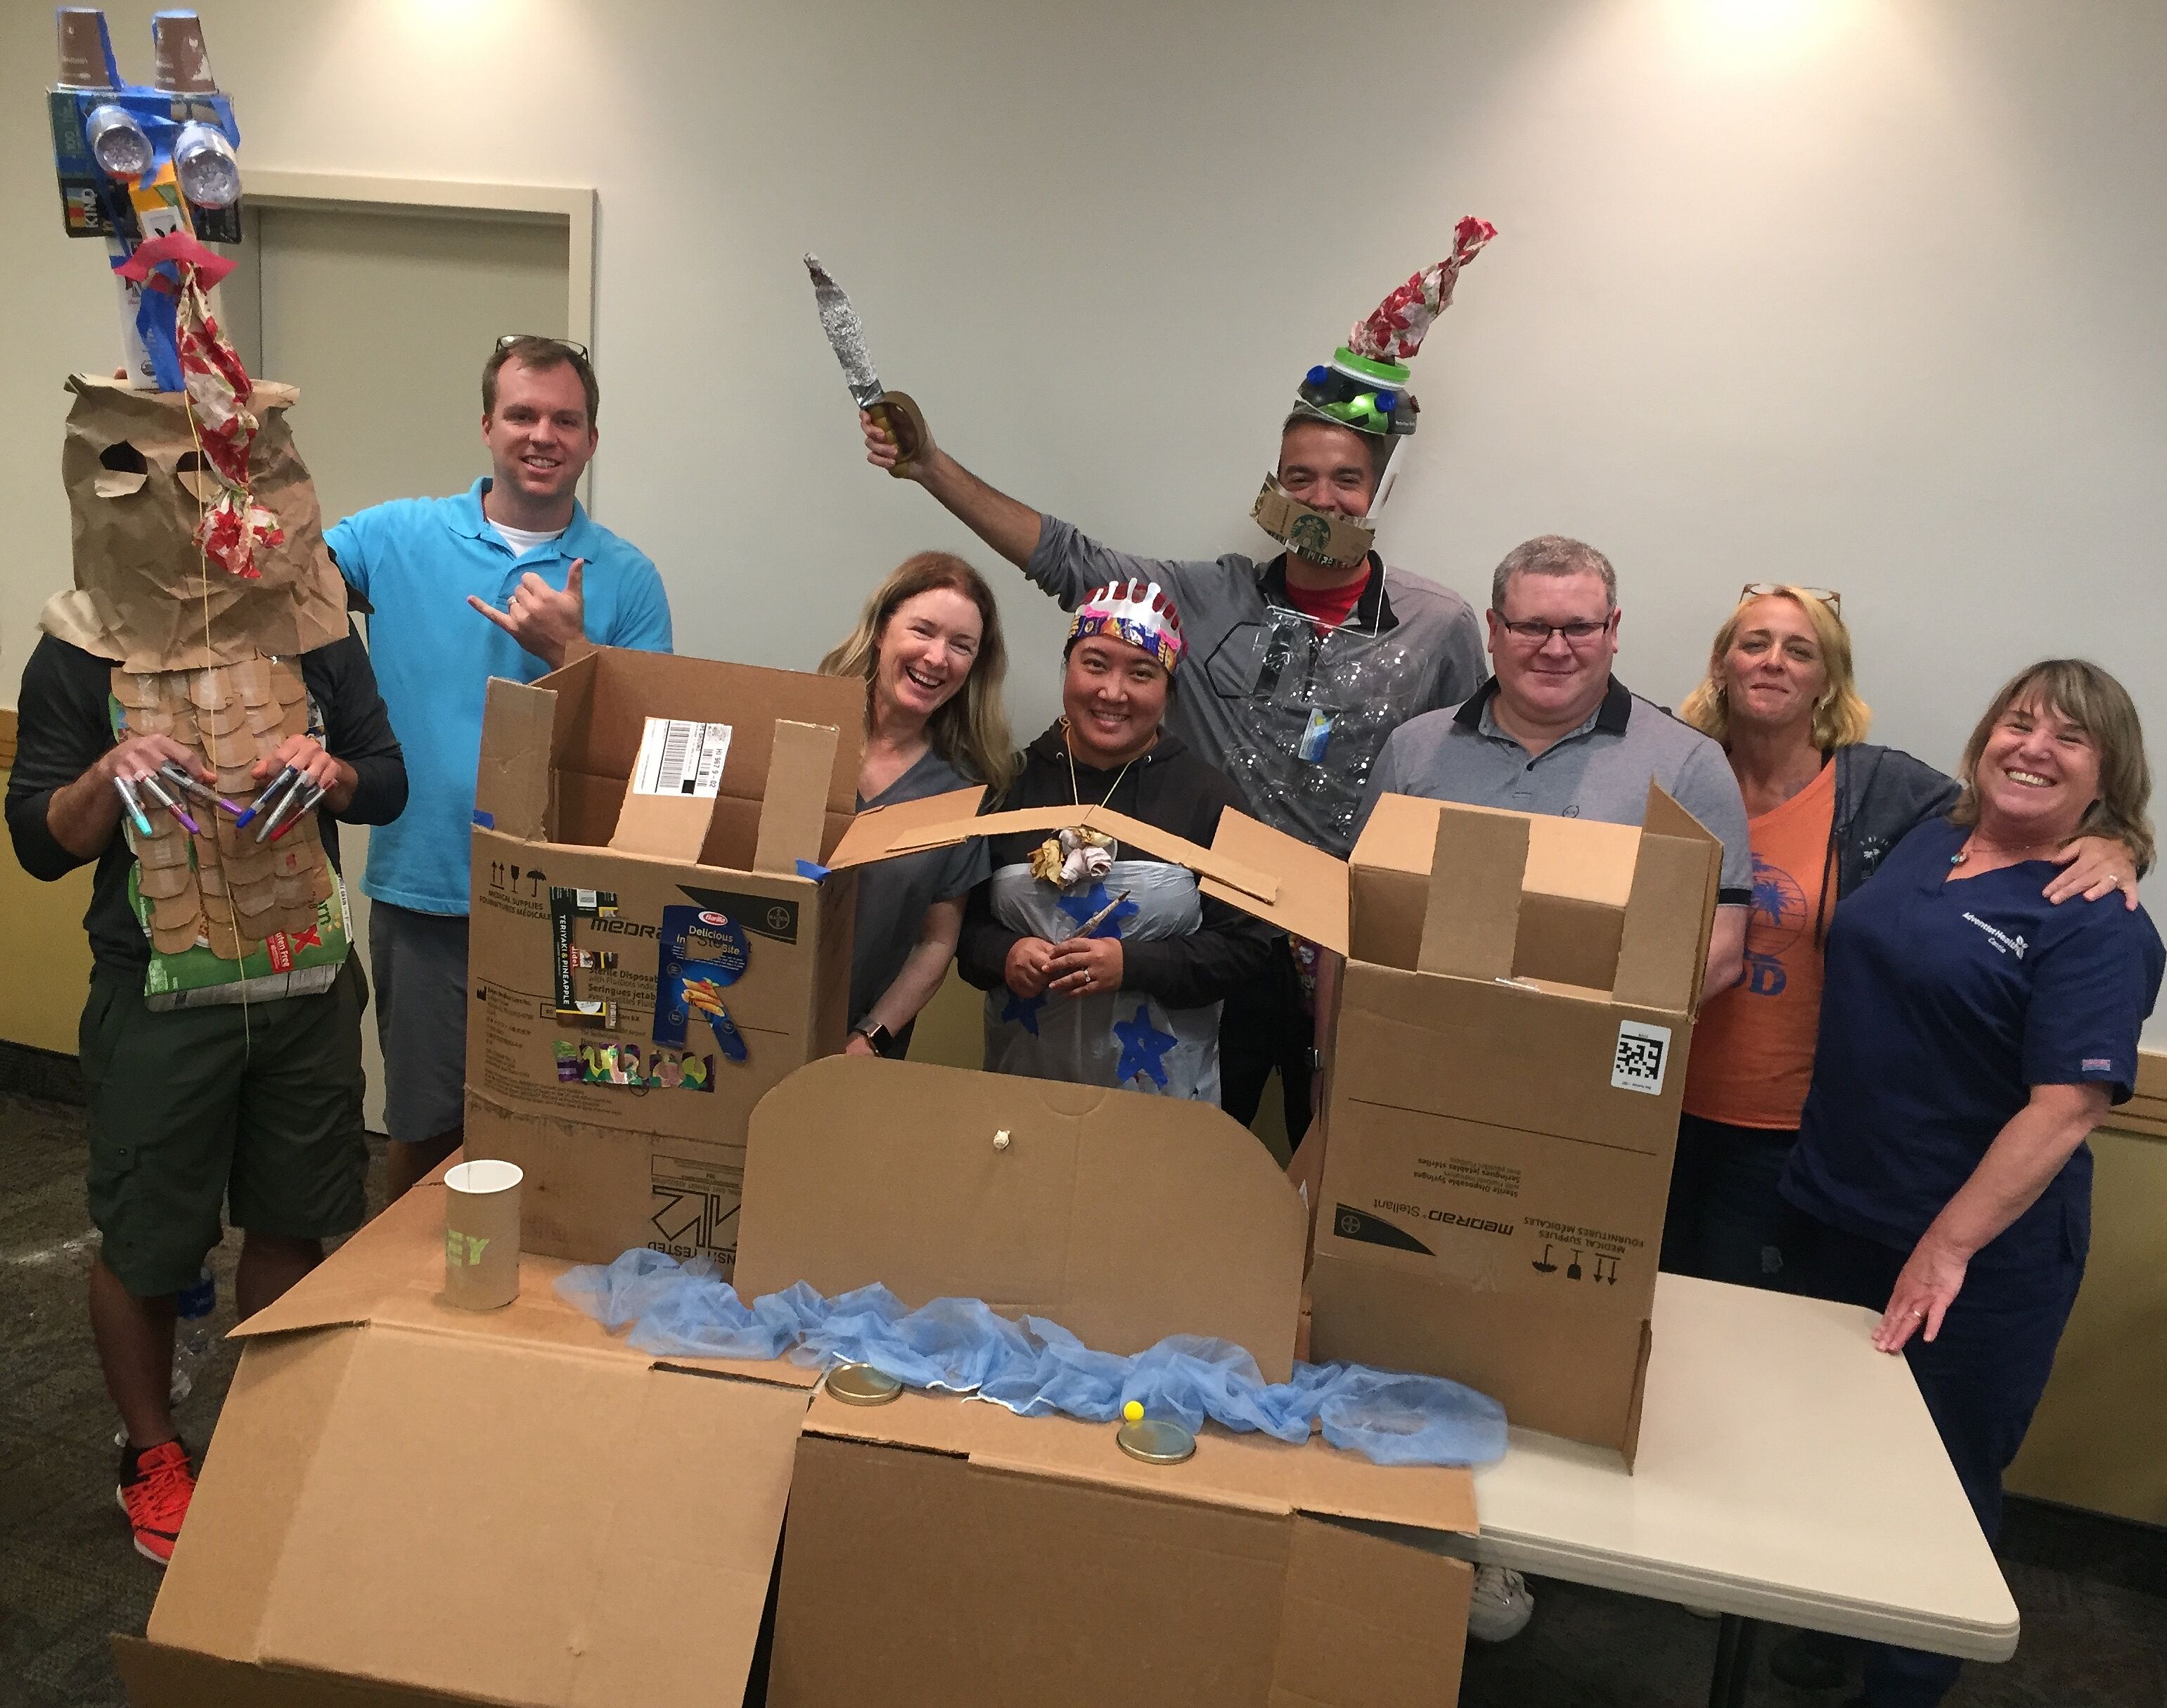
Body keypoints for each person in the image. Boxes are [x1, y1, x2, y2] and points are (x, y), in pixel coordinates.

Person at [861, 232, 1494, 1141]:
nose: (1321, 500)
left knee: (1346, 1160)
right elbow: (1067, 560)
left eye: (1346, 480)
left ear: (1378, 491)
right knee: (1195, 1160)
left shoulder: (1438, 626)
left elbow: (1458, 785)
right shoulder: (1206, 598)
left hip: (1354, 956)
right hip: (1214, 945)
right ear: (1272, 486)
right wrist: (929, 467)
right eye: (1300, 477)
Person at [1320, 532, 1752, 1648]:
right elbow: (1353, 917)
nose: (1553, 647)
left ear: (1612, 632)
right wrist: (1336, 1073)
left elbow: (1724, 939)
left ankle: (1502, 1547)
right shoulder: (1417, 749)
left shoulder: (1683, 764)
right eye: (1529, 625)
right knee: (1403, 1290)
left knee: (1539, 1320)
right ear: (1494, 630)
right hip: (1418, 1083)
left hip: (1585, 1103)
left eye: (1578, 626)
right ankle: (1382, 1526)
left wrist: (1586, 1030)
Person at [1777, 660, 2161, 1708]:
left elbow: (2067, 1107)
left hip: (1972, 1262)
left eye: (2069, 738)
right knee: (1831, 1450)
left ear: (2108, 777)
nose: (2032, 747)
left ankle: (1903, 1685)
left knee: (1938, 1482)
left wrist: (1943, 1248)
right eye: (2018, 722)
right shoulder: (1926, 834)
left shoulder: (2096, 917)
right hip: (1835, 1212)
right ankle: (1825, 1632)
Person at [8, 622, 406, 1565]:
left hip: (302, 977)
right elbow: (38, 842)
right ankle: (151, 1452)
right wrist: (108, 774)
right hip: (158, 988)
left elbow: (387, 782)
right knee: (147, 1238)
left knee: (294, 1220)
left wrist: (334, 773)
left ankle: (275, 1436)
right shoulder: (81, 647)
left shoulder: (314, 632)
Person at [1665, 586, 2140, 1290]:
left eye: (1800, 650)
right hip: (1657, 1104)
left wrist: (2116, 843)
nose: (1773, 662)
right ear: (1720, 663)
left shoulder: (1886, 792)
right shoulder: (1673, 771)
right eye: (1754, 643)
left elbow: (2018, 812)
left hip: (1789, 1137)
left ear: (1829, 679)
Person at [324, 335, 673, 1200]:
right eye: (522, 414)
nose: (542, 435)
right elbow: (270, 581)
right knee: (424, 1131)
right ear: (486, 425)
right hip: (426, 893)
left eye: (566, 420)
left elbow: (656, 760)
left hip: (578, 909)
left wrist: (570, 652)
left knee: (572, 1124)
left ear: (592, 440)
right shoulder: (391, 536)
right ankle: (411, 1282)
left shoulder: (627, 577)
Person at [955, 580, 1275, 1098]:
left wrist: (1134, 965)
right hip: (1025, 1086)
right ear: (1068, 668)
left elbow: (1247, 947)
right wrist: (1004, 954)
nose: (1112, 692)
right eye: (1095, 664)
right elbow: (958, 930)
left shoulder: (1211, 799)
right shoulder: (1008, 786)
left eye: (1141, 673)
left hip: (1163, 1102)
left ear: (1168, 690)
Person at [818, 551, 1017, 1059]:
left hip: (856, 1056)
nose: (936, 658)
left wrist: (870, 1038)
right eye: (923, 631)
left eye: (961, 645)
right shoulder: (804, 733)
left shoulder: (960, 792)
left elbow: (935, 942)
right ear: (881, 630)